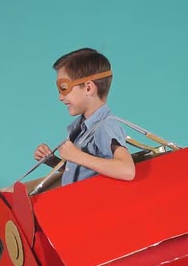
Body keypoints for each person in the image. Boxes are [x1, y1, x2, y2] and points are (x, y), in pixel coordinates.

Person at [34, 48, 135, 185]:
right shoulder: (84, 130)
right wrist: (53, 161)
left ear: (88, 88)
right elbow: (86, 176)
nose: (60, 97)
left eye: (64, 88)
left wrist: (77, 156)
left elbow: (127, 170)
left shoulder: (106, 126)